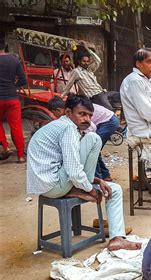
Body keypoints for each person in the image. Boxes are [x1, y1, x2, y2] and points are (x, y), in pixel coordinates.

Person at [27, 95, 141, 251]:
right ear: (68, 112)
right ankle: (82, 188)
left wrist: (96, 180)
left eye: (90, 115)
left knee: (114, 188)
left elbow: (68, 165)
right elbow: (73, 171)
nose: (87, 119)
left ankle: (117, 238)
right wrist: (90, 189)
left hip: (48, 184)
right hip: (54, 185)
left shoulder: (61, 126)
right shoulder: (68, 129)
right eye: (82, 114)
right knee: (93, 138)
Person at [47, 97, 118, 181]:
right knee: (93, 152)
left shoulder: (75, 117)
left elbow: (91, 129)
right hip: (108, 120)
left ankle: (97, 178)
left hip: (108, 121)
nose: (53, 115)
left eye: (53, 113)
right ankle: (104, 176)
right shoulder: (72, 117)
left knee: (92, 152)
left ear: (59, 110)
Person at [61, 42, 120, 112]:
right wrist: (61, 97)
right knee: (110, 111)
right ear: (79, 61)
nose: (86, 63)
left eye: (87, 61)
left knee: (122, 96)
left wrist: (87, 49)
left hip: (103, 92)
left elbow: (98, 61)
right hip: (95, 96)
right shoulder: (76, 71)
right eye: (84, 61)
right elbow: (69, 85)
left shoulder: (89, 69)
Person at [0, 34, 26, 162]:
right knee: (16, 127)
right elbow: (23, 80)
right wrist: (13, 86)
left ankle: (5, 147)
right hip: (12, 98)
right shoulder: (14, 60)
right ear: (5, 47)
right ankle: (21, 156)